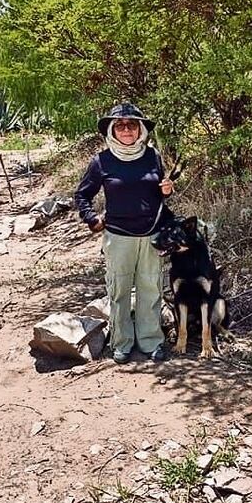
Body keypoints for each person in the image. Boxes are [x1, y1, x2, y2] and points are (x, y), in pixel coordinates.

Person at [75, 103, 174, 364]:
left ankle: (151, 341)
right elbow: (82, 195)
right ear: (112, 130)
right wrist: (91, 218)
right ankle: (122, 343)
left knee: (150, 289)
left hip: (151, 235)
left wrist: (166, 190)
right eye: (120, 125)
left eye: (132, 124)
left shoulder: (153, 156)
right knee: (119, 292)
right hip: (118, 237)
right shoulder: (101, 161)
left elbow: (157, 193)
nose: (127, 129)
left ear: (141, 130)